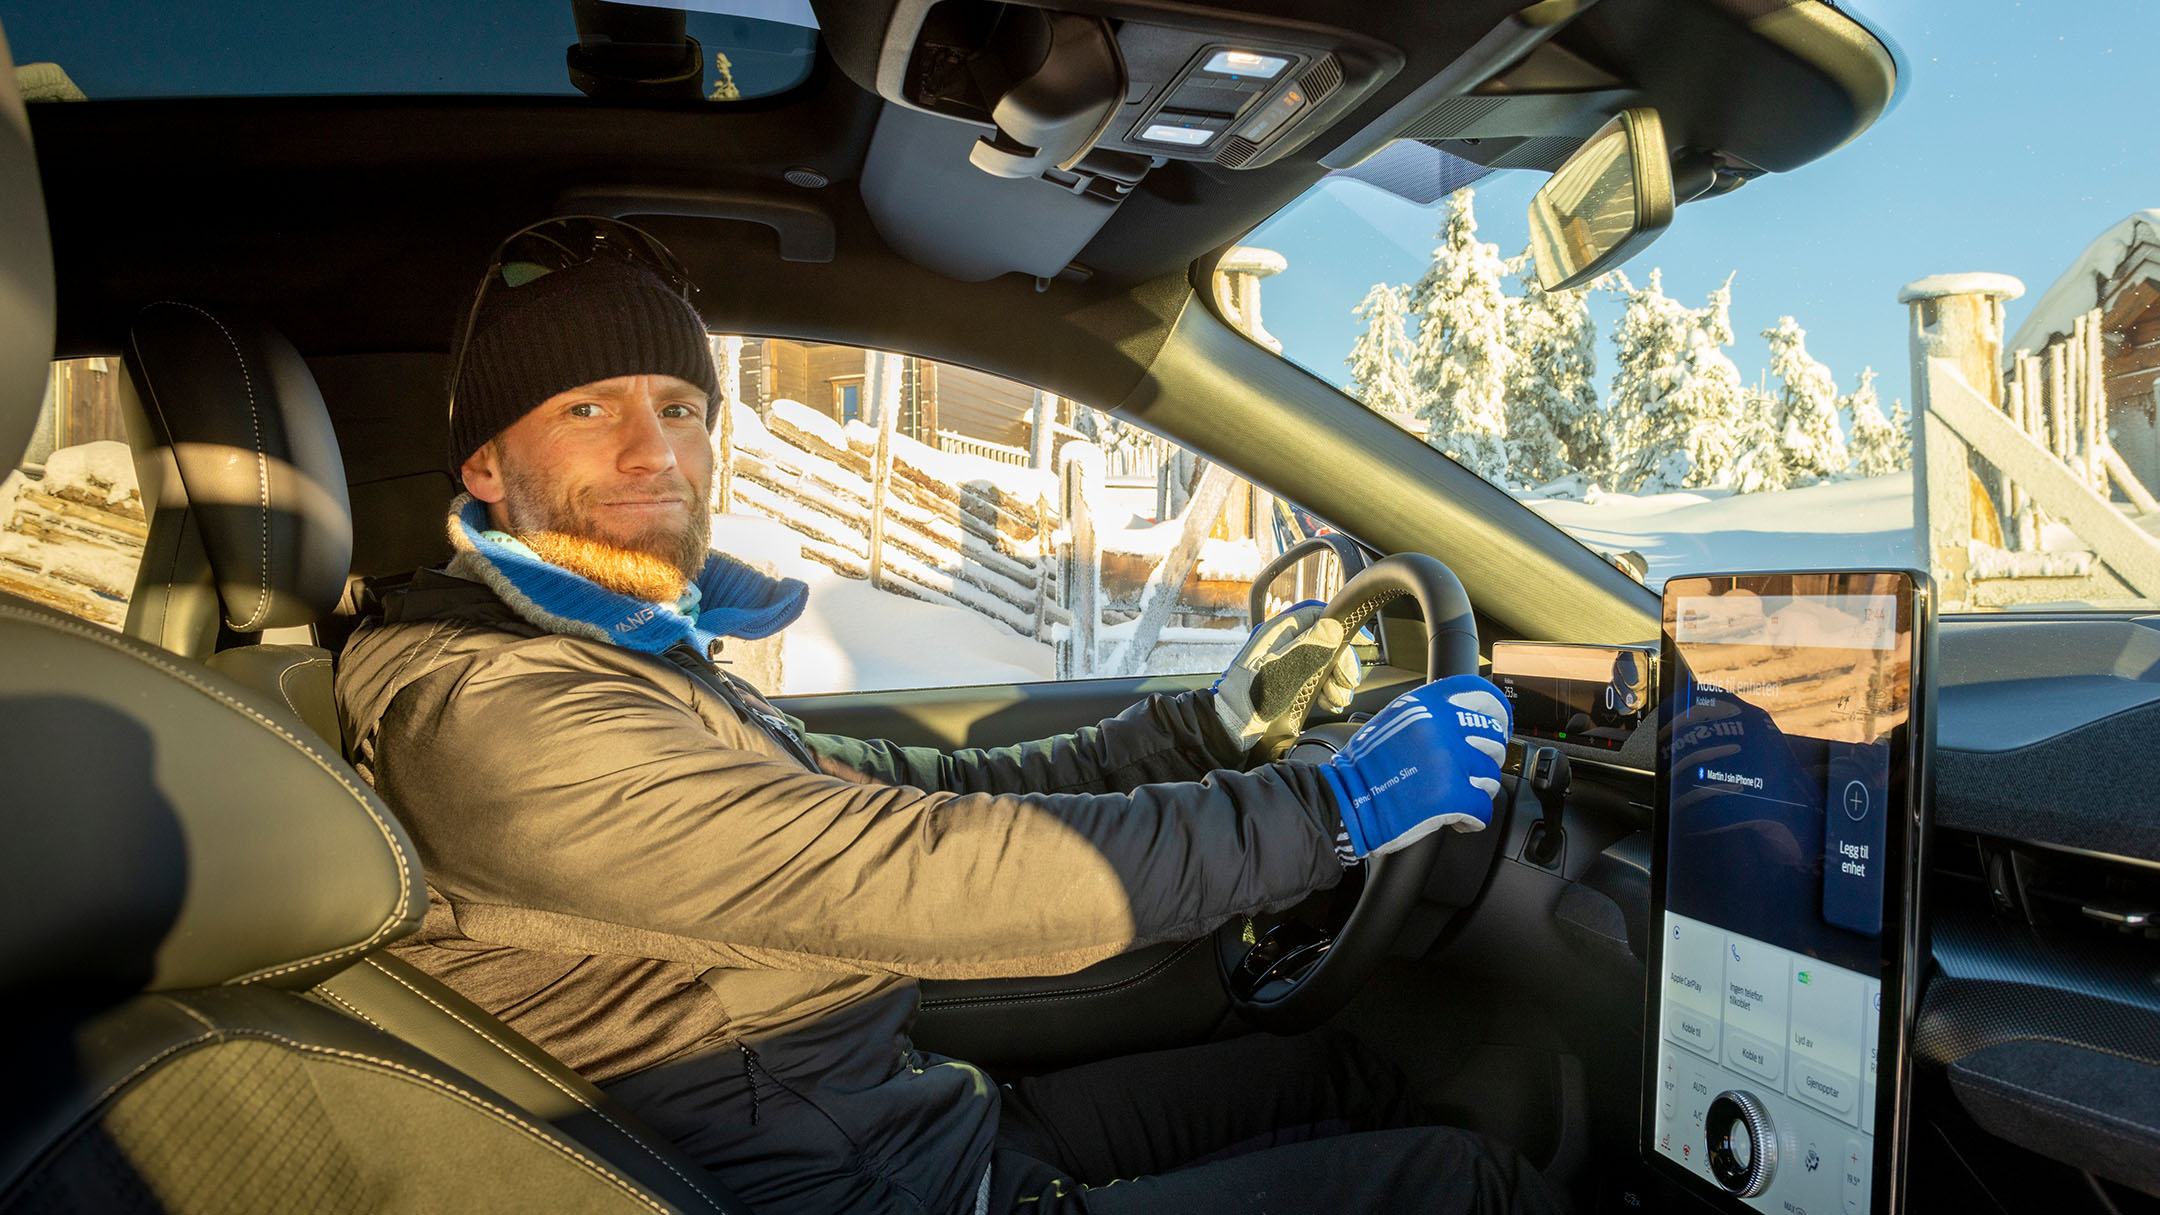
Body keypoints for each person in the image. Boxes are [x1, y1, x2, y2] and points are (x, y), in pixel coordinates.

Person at [335, 217, 1565, 1214]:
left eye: (682, 405)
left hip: (899, 1124)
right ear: (487, 468)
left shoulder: (626, 661)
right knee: (1464, 1188)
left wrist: (1209, 728)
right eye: (588, 409)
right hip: (859, 1188)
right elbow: (922, 873)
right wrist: (1332, 806)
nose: (658, 450)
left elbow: (922, 793)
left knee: (1343, 1076)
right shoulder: (496, 715)